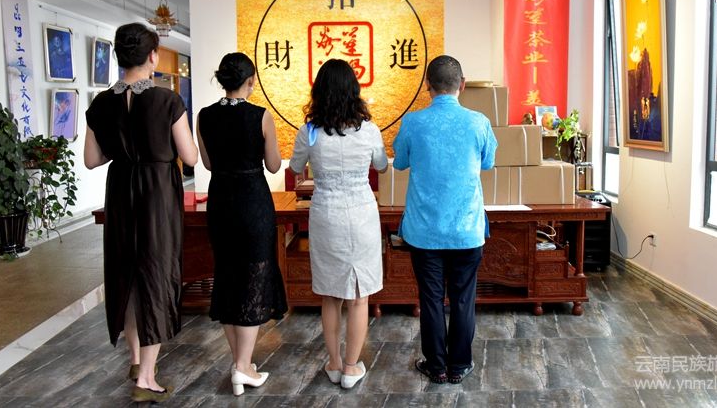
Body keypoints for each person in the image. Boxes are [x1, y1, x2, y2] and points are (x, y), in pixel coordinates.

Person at [84, 22, 198, 403]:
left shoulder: (101, 104)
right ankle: (147, 378)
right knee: (157, 276)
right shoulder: (167, 101)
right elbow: (190, 156)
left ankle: (135, 360)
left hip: (120, 192)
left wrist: (123, 149)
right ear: (152, 56)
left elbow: (91, 159)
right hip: (157, 195)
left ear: (120, 57)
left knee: (128, 275)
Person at [392, 55, 497, 385]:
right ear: (462, 85)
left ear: (428, 86)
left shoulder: (413, 122)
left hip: (424, 231)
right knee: (464, 298)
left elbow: (399, 162)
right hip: (467, 229)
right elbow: (488, 163)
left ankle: (436, 366)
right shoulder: (479, 122)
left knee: (431, 299)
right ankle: (459, 365)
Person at [289, 59, 388, 390]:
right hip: (361, 213)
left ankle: (332, 363)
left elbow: (295, 167)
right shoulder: (369, 129)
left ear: (319, 91)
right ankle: (350, 367)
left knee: (330, 295)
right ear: (353, 91)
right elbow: (382, 166)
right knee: (359, 296)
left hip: (326, 214)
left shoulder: (310, 131)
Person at [196, 53, 288, 396]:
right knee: (254, 278)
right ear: (250, 81)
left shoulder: (204, 116)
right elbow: (274, 165)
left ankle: (242, 364)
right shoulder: (260, 115)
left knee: (227, 276)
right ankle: (242, 367)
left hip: (220, 200)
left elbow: (207, 163)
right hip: (252, 201)